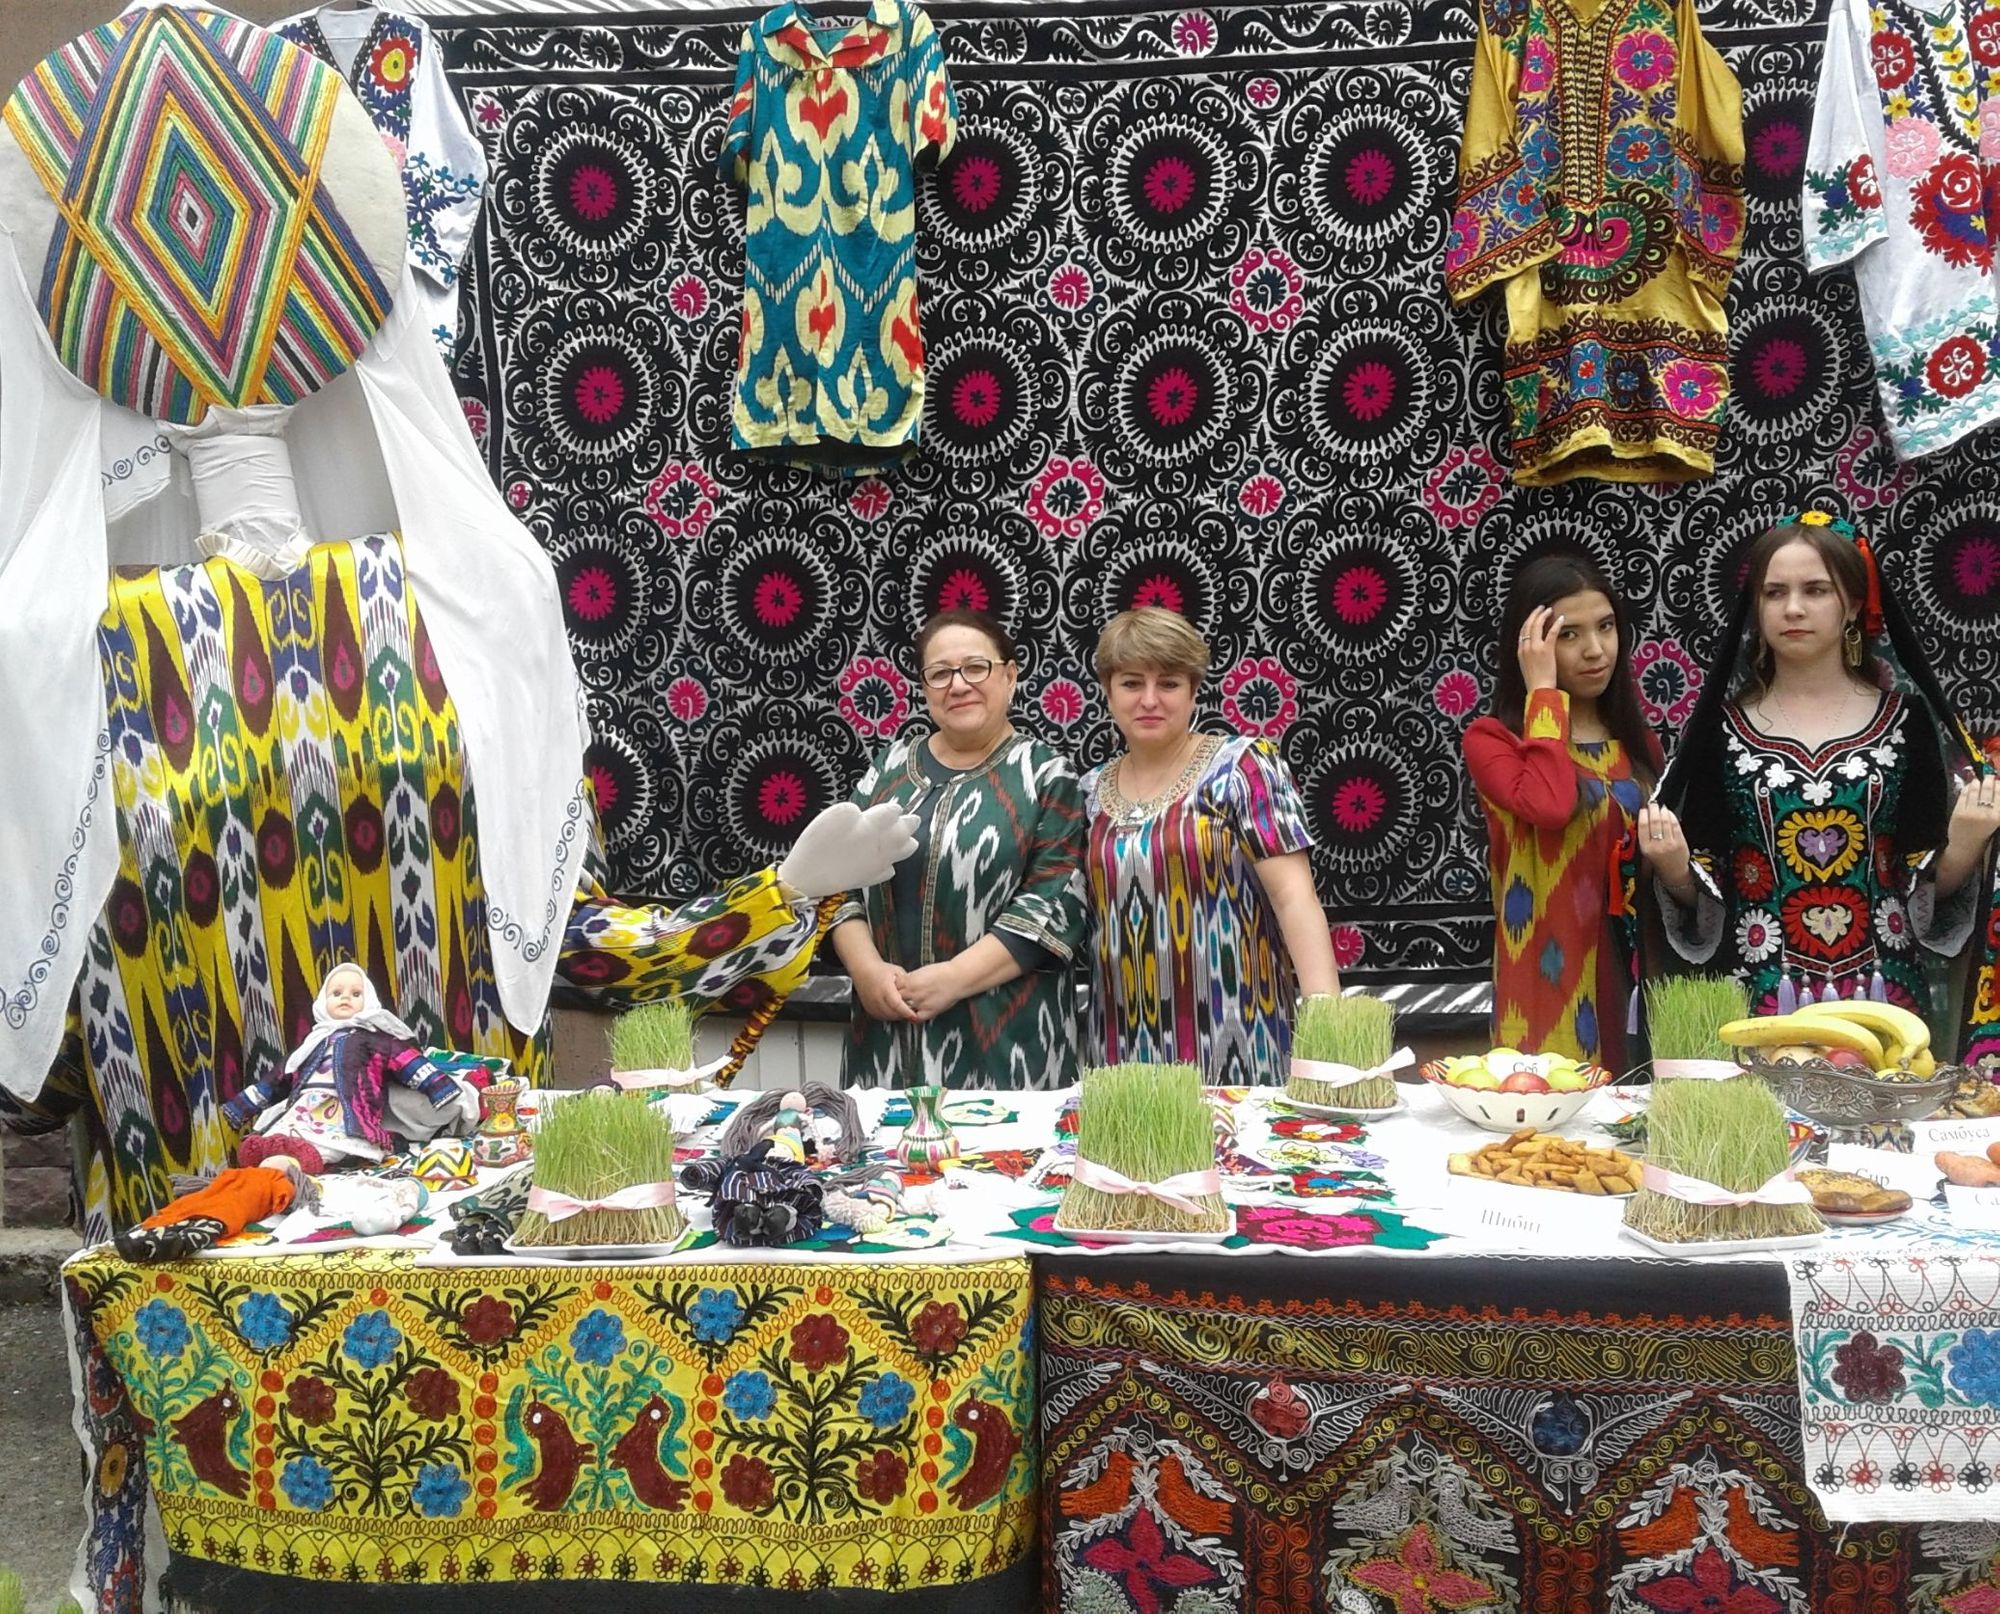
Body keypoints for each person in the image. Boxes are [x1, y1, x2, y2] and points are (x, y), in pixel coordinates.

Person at [1643, 513, 2000, 1030]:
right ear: (1755, 608)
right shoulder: (1720, 731)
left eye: (1815, 590)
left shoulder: (1907, 720)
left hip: (1884, 999)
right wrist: (1674, 869)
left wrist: (1966, 844)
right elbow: (1706, 888)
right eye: (1773, 593)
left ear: (1853, 604)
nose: (1793, 608)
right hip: (1755, 999)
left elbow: (1918, 886)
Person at [831, 610, 1089, 1089]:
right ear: (925, 687)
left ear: (1010, 675)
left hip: (1008, 1048)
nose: (959, 684)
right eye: (941, 673)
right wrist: (865, 970)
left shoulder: (1046, 776)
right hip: (885, 1044)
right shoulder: (887, 771)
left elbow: (1050, 907)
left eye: (976, 667)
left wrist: (951, 979)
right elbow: (837, 885)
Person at [1082, 608, 1339, 1084]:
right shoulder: (1088, 793)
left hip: (1240, 1038)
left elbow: (1294, 898)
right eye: (1132, 683)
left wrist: (1327, 1021)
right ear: (1107, 690)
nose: (1150, 700)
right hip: (1120, 1047)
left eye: (1170, 683)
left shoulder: (1242, 769)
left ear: (1195, 688)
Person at [1464, 556, 1662, 1075]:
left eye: (1605, 627)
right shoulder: (1494, 742)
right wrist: (1544, 693)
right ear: (1532, 647)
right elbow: (1550, 807)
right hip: (1543, 982)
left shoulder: (1639, 748)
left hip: (1631, 973)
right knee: (1551, 1134)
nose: (1596, 650)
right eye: (1569, 635)